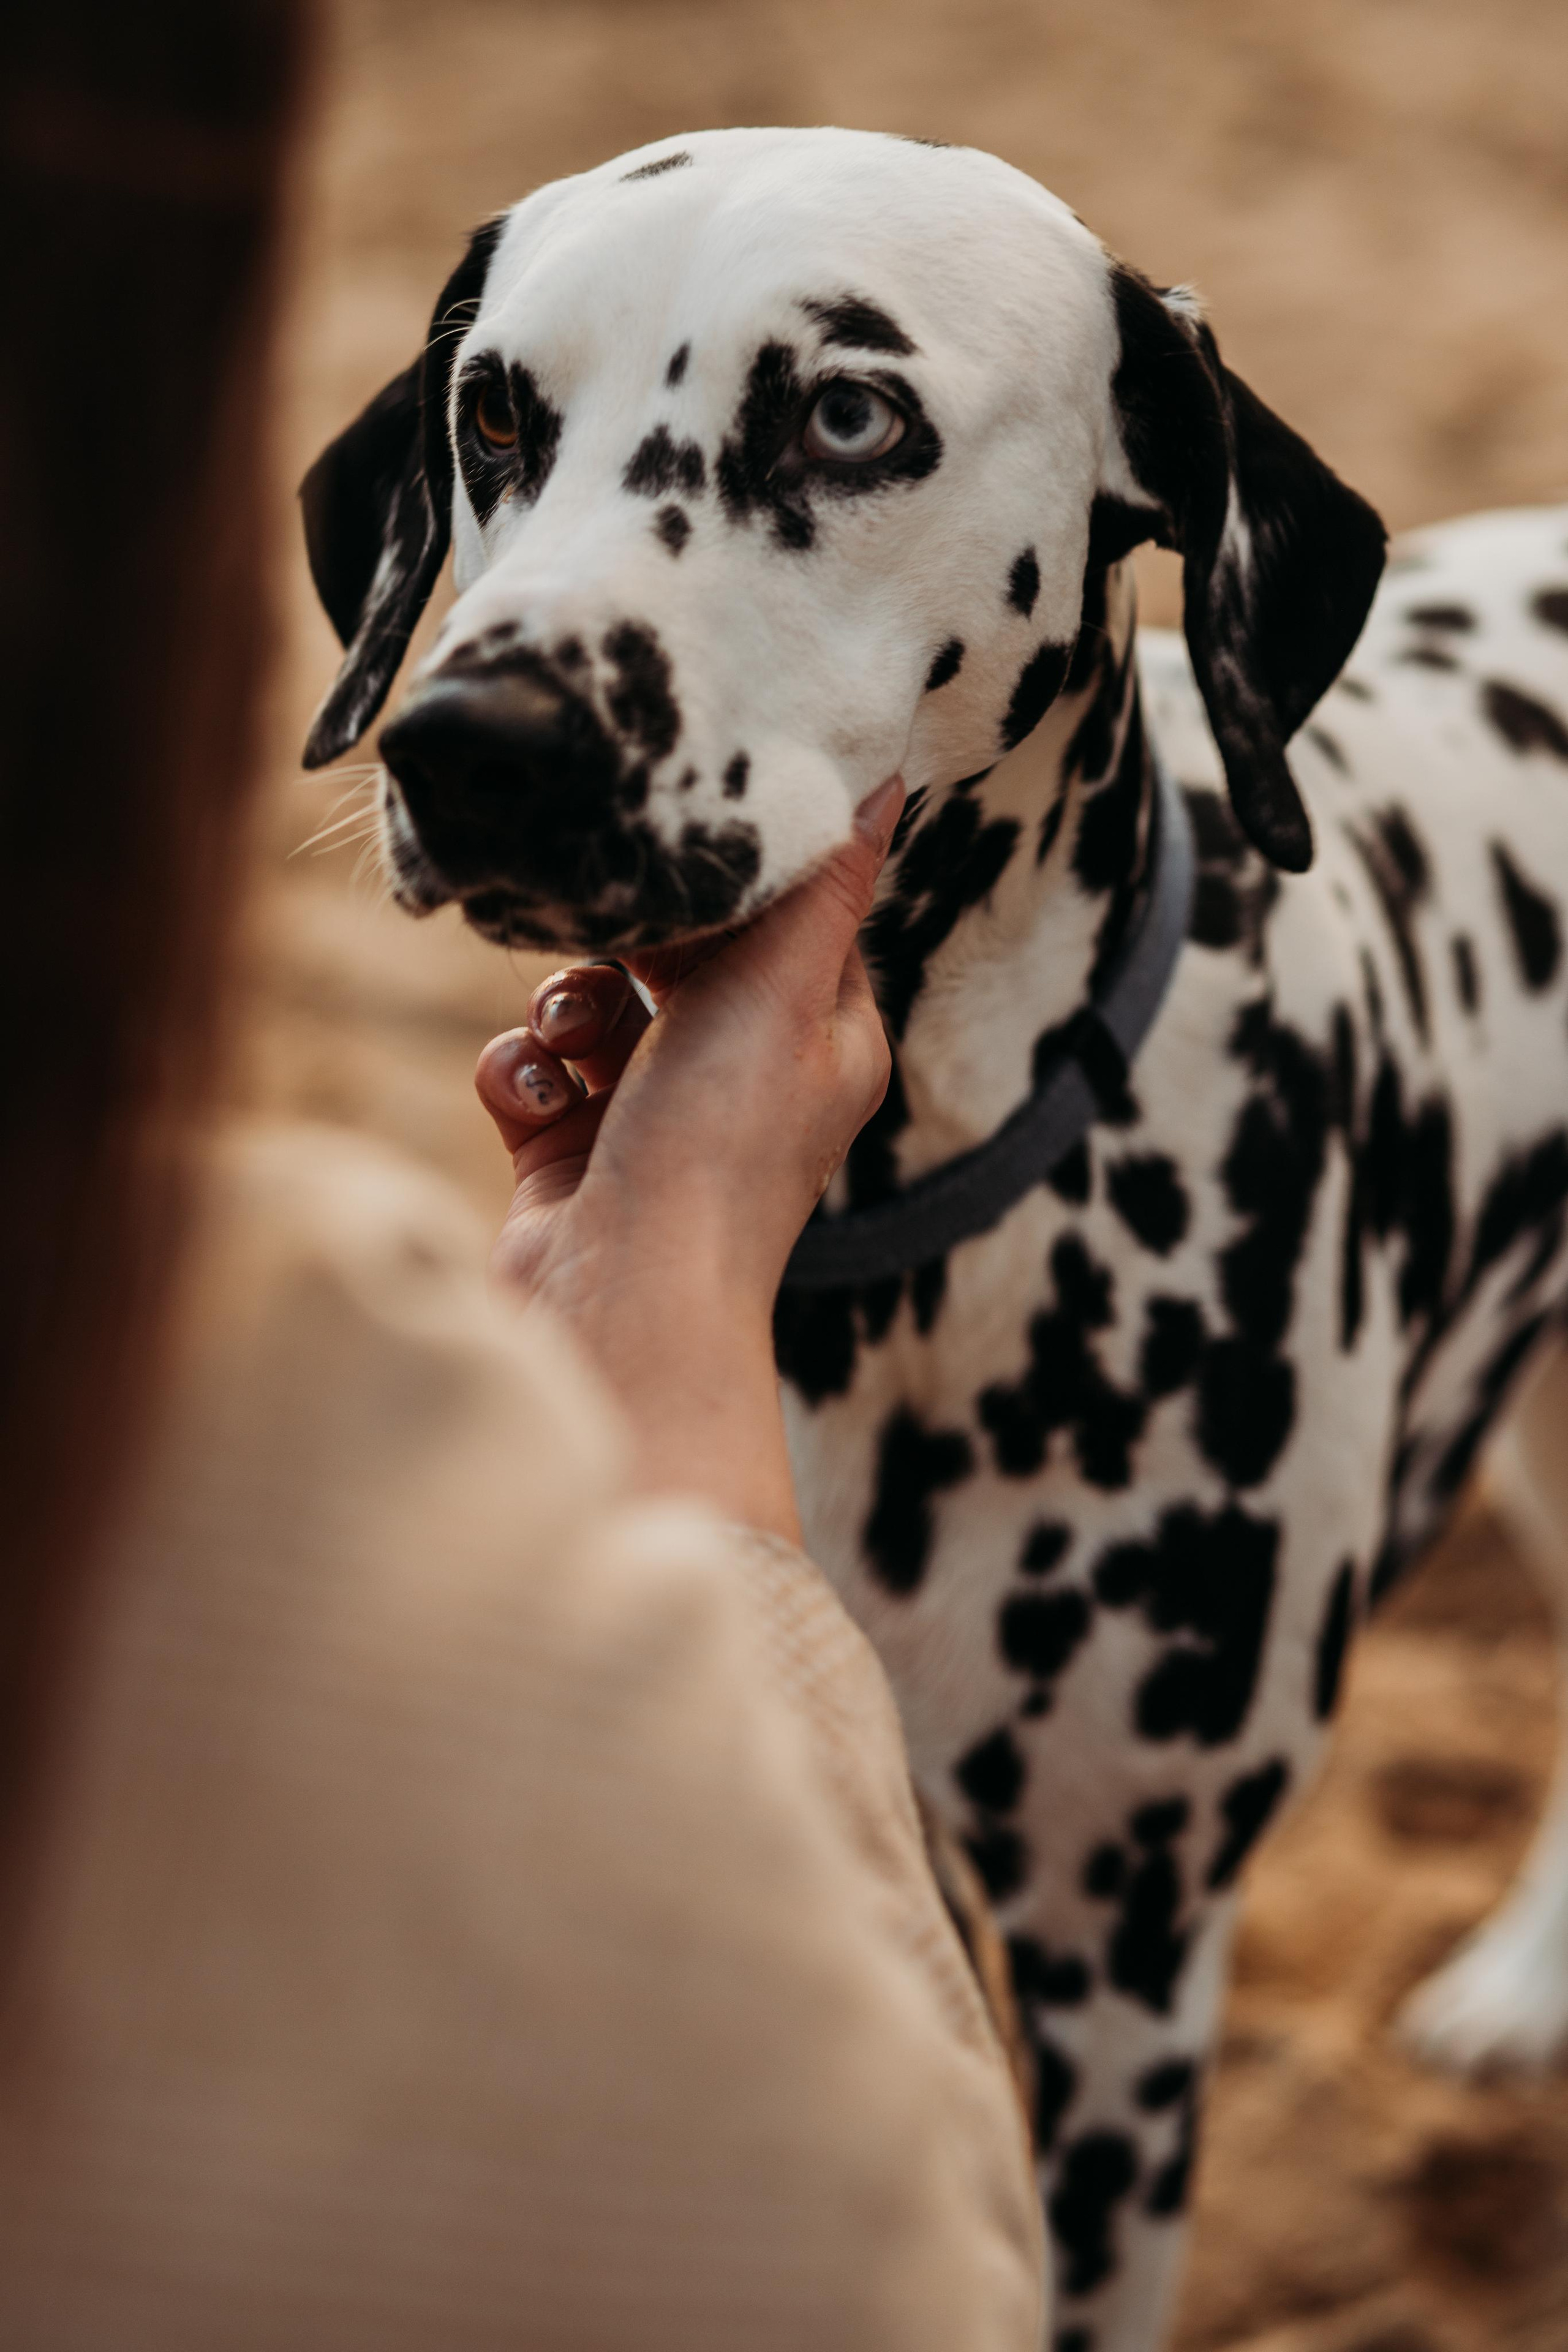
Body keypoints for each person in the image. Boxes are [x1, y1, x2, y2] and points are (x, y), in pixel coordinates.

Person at [0, 4, 1046, 2345]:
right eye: (502, 437)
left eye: (850, 423)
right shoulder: (268, 1449)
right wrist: (670, 1387)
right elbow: (879, 2273)